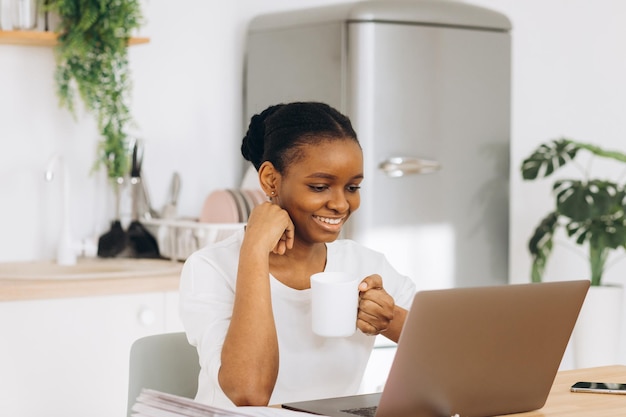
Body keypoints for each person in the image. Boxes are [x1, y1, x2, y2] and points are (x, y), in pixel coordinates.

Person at [179, 102, 416, 408]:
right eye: (320, 186)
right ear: (270, 180)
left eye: (353, 187)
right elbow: (249, 394)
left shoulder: (366, 266)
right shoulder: (211, 268)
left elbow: (453, 354)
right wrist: (253, 250)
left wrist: (390, 319)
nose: (341, 204)